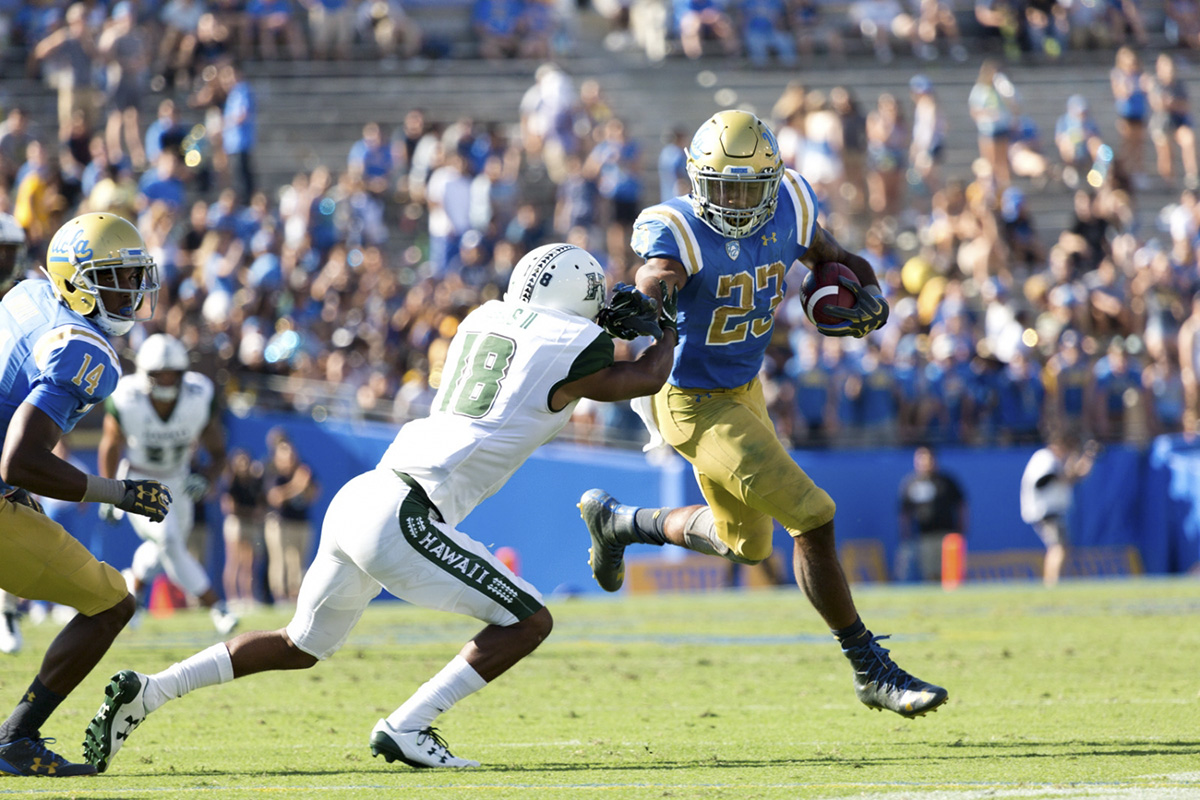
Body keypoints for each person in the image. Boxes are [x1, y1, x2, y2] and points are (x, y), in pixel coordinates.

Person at [82, 242, 679, 772]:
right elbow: (645, 377)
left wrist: (599, 317)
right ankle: (409, 725)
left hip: (366, 494)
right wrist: (668, 326)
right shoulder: (572, 341)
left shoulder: (483, 317)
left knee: (300, 645)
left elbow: (548, 348)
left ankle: (151, 691)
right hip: (406, 511)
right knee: (530, 619)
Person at [579, 110, 947, 719]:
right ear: (698, 182)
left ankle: (620, 523)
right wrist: (646, 300)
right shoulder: (677, 228)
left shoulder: (793, 204)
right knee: (814, 516)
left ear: (773, 181)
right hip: (691, 401)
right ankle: (870, 667)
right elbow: (657, 273)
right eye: (723, 186)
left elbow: (835, 256)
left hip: (745, 391)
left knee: (745, 543)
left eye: (750, 187)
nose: (737, 200)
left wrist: (871, 301)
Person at [0, 212, 171, 777]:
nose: (131, 292)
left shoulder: (27, 295)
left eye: (133, 277)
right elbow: (21, 457)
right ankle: (16, 740)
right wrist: (115, 491)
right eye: (113, 279)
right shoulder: (85, 352)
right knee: (111, 604)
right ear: (76, 280)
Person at [96, 332, 236, 635]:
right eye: (161, 374)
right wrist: (108, 493)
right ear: (145, 373)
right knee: (169, 539)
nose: (168, 381)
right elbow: (110, 446)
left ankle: (134, 585)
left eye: (174, 374)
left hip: (179, 477)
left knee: (165, 546)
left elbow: (219, 453)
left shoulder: (199, 395)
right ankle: (217, 606)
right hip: (138, 477)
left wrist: (208, 477)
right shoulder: (126, 397)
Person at [1020, 431, 1098, 586]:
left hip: (1051, 509)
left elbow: (1070, 478)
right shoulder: (1045, 457)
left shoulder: (1053, 460)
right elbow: (1044, 481)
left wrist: (1086, 460)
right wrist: (1068, 472)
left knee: (1059, 547)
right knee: (1058, 547)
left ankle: (1052, 582)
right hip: (1045, 509)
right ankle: (1052, 583)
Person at [896, 446, 967, 582]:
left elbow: (961, 505)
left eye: (928, 458)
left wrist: (962, 527)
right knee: (930, 573)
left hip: (947, 535)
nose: (925, 462)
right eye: (921, 458)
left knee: (950, 574)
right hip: (925, 536)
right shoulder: (910, 483)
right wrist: (905, 534)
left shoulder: (946, 481)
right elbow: (904, 512)